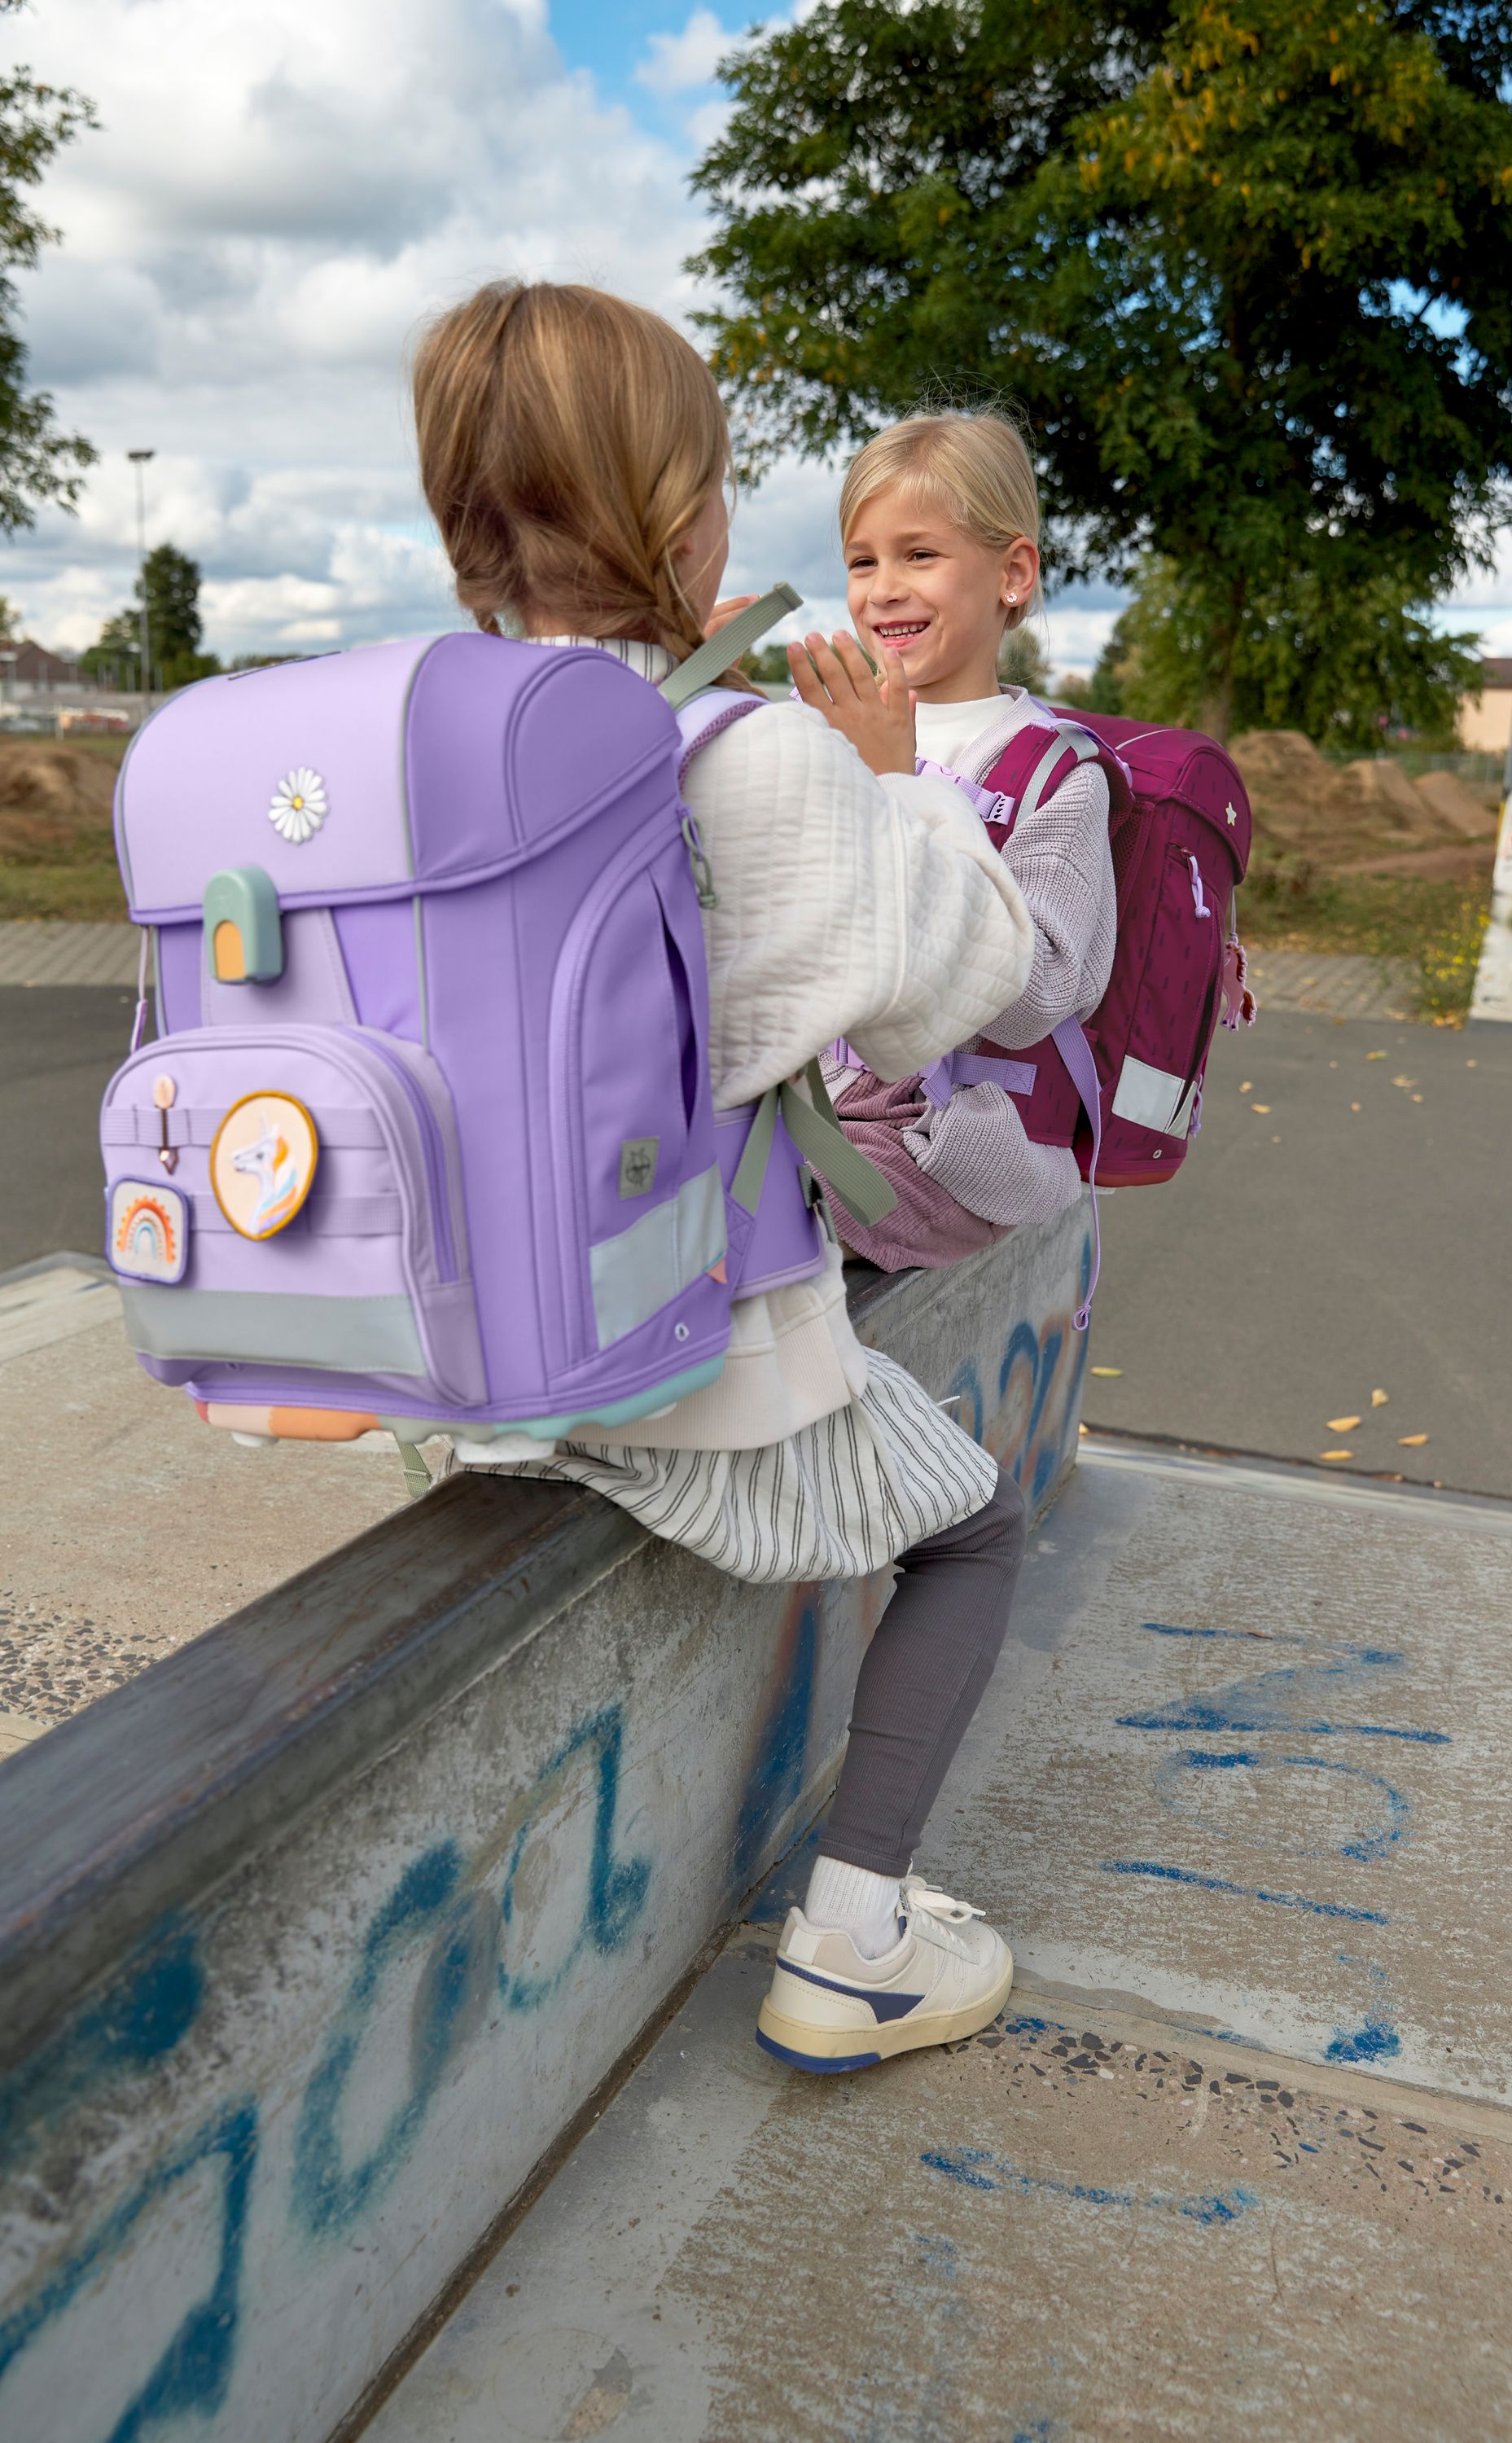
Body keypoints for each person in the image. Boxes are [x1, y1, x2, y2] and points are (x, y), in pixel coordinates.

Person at [413, 281, 1038, 2071]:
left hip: (461, 1356)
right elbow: (952, 987)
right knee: (978, 1527)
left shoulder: (429, 738)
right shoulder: (733, 749)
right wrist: (902, 783)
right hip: (668, 1366)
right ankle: (855, 1945)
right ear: (673, 517)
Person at [788, 414, 1116, 1270]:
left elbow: (1034, 989)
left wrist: (898, 792)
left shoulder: (1053, 774)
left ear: (1011, 573)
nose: (882, 589)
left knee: (742, 1222)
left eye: (919, 556)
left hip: (941, 1139)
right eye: (863, 561)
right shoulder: (824, 726)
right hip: (812, 1101)